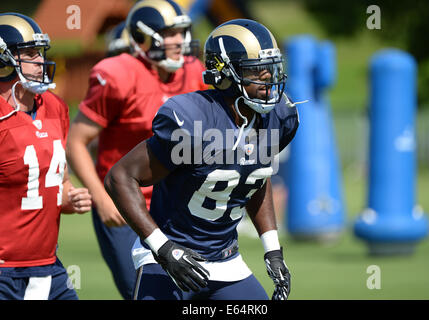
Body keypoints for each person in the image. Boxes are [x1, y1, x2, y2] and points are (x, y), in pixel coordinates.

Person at [104, 18, 298, 300]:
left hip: (227, 261)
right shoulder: (194, 120)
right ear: (226, 74)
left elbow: (255, 176)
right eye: (257, 70)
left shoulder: (279, 117)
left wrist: (272, 249)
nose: (268, 80)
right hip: (170, 258)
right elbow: (120, 177)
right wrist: (163, 248)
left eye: (271, 68)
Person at [66, 0, 209, 300]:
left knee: (196, 294)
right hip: (126, 205)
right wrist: (100, 197)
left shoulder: (194, 71)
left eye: (181, 32)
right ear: (142, 37)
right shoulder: (118, 74)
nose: (178, 41)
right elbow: (76, 141)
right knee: (144, 293)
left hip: (178, 206)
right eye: (169, 33)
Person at [0, 12, 92, 300]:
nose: (40, 61)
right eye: (29, 54)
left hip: (48, 265)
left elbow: (57, 184)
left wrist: (69, 197)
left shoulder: (54, 107)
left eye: (40, 53)